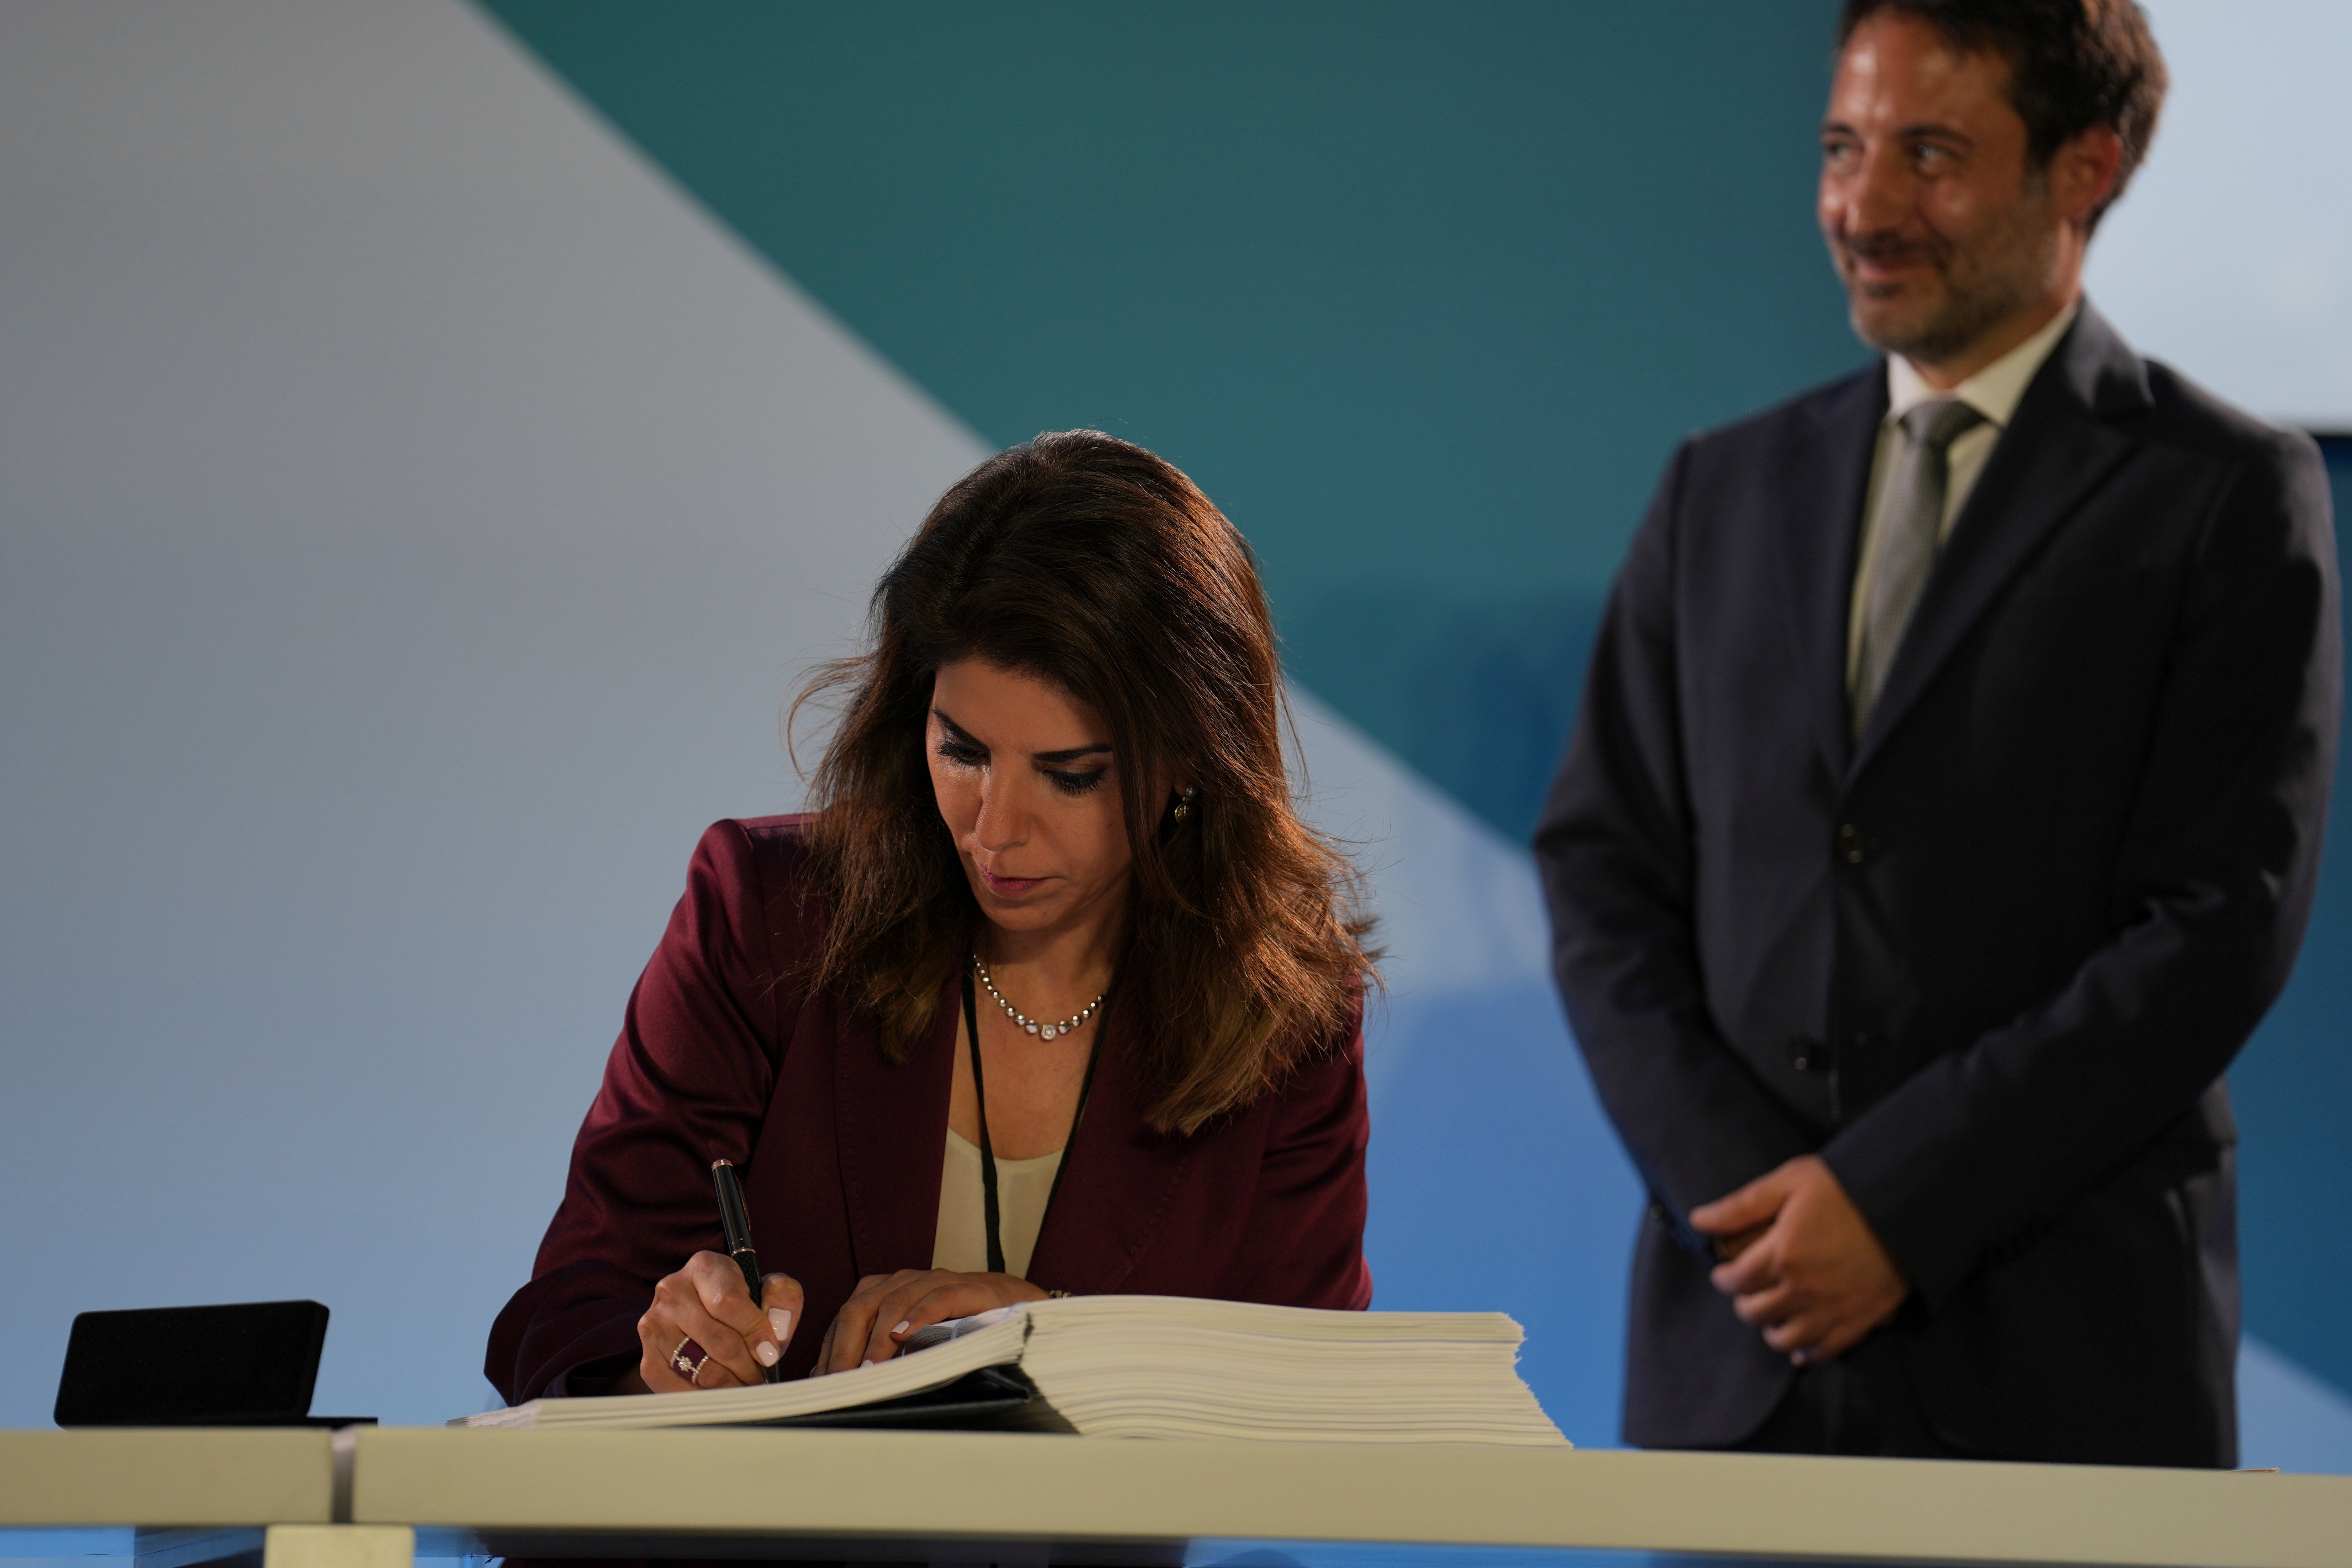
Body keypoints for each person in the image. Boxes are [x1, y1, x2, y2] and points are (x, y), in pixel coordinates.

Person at [1535, 0, 2338, 1465]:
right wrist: (1764, 1212)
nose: (1861, 205)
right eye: (1840, 147)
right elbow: (1601, 875)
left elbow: (2216, 924)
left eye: (1929, 155)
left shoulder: (2225, 493)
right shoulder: (1717, 489)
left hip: (2066, 1377)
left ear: (2082, 169)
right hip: (1741, 1360)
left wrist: (1894, 1208)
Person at [487, 431, 1376, 1401]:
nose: (996, 831)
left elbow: (1302, 1391)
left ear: (1191, 765)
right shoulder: (766, 911)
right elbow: (568, 1311)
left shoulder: (1289, 1011)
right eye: (963, 752)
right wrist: (659, 1350)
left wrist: (1049, 1336)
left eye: (1070, 776)